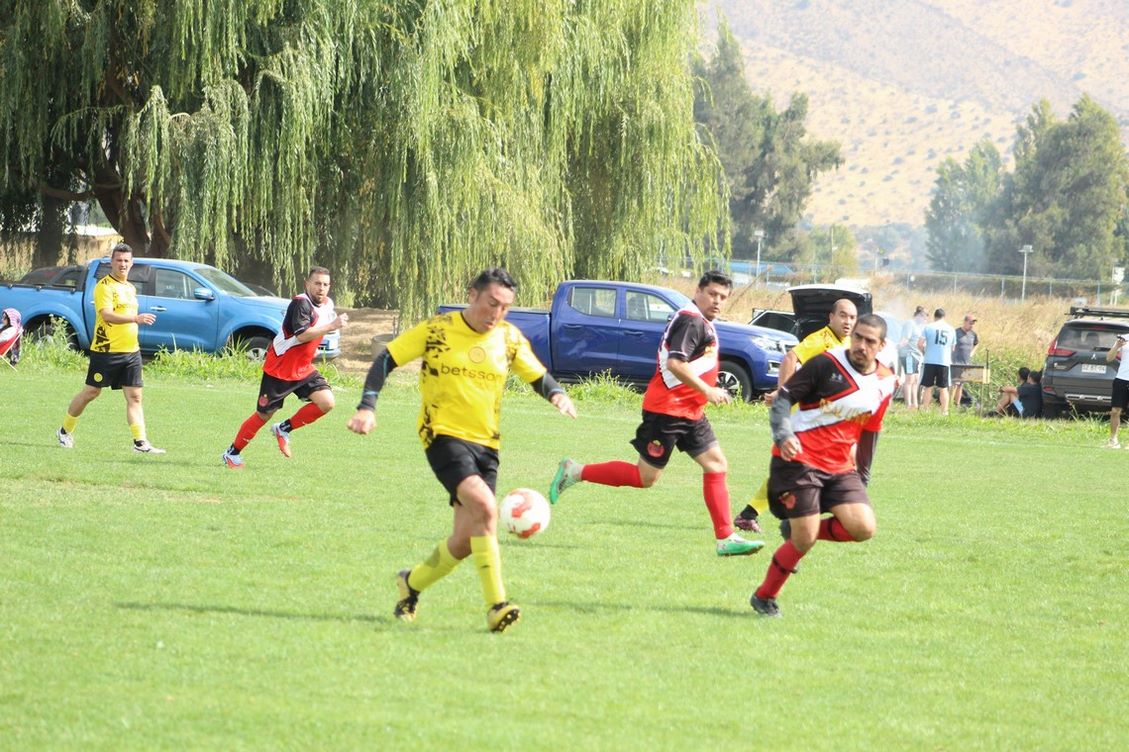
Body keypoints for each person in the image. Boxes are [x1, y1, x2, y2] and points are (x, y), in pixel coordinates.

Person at [347, 268, 576, 633]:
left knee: (466, 540)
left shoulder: (509, 338)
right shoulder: (438, 330)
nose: (497, 313)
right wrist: (367, 407)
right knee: (486, 507)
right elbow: (386, 359)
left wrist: (557, 394)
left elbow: (537, 375)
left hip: (488, 444)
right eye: (491, 303)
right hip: (442, 436)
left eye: (505, 307)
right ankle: (496, 606)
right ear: (472, 295)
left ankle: (411, 583)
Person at [547, 271, 762, 556]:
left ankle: (725, 538)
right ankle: (575, 471)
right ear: (697, 292)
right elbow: (675, 364)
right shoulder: (691, 321)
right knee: (645, 477)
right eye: (712, 294)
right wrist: (707, 390)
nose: (717, 301)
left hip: (690, 411)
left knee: (717, 465)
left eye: (723, 297)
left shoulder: (701, 321)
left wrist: (702, 393)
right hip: (667, 411)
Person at [749, 313, 896, 617]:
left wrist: (863, 476)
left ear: (881, 346)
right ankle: (764, 597)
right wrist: (783, 434)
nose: (861, 345)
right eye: (857, 337)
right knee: (803, 539)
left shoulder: (885, 382)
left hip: (841, 467)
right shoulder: (826, 364)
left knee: (863, 527)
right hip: (798, 461)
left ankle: (797, 527)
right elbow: (783, 398)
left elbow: (871, 430)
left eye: (870, 341)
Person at [734, 298, 859, 532]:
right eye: (843, 315)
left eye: (852, 317)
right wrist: (783, 393)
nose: (847, 321)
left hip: (827, 419)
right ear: (831, 317)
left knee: (800, 467)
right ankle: (766, 515)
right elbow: (791, 358)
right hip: (804, 416)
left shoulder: (849, 343)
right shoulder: (820, 340)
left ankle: (755, 514)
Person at [222, 267, 348, 468]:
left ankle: (283, 429)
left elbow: (315, 332)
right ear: (307, 284)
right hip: (280, 368)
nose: (321, 288)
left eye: (325, 284)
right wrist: (332, 326)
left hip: (303, 368)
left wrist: (316, 347)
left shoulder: (327, 304)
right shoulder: (300, 304)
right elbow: (302, 335)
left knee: (326, 402)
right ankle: (232, 453)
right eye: (317, 283)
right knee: (263, 415)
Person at [55, 243, 164, 453]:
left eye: (126, 261)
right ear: (111, 262)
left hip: (131, 351)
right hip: (106, 350)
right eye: (119, 260)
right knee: (91, 392)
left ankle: (140, 443)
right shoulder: (104, 286)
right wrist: (136, 318)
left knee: (135, 397)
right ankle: (64, 431)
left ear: (131, 263)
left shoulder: (130, 288)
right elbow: (107, 315)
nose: (122, 264)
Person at [918, 308, 955, 415]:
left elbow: (920, 344)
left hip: (929, 360)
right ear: (944, 317)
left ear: (935, 317)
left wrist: (924, 352)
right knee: (943, 388)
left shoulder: (928, 327)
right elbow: (953, 348)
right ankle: (944, 411)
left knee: (928, 387)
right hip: (944, 361)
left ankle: (925, 409)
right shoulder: (951, 329)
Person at [898, 306, 926, 409]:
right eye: (924, 316)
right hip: (909, 355)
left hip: (916, 356)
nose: (925, 319)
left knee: (915, 380)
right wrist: (897, 347)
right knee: (909, 380)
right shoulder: (910, 323)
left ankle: (915, 404)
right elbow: (905, 339)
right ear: (918, 315)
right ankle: (908, 404)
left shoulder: (919, 326)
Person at [1105, 334, 1129, 448]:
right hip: (1121, 379)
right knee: (1115, 411)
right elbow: (1109, 358)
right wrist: (1117, 346)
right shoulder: (1124, 338)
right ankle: (1113, 440)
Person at [951, 313, 980, 409]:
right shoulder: (956, 332)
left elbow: (977, 343)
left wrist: (972, 352)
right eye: (970, 323)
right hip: (955, 363)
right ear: (965, 322)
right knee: (954, 384)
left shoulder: (973, 334)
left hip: (965, 364)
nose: (972, 325)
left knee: (960, 385)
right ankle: (949, 404)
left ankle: (957, 405)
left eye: (973, 324)